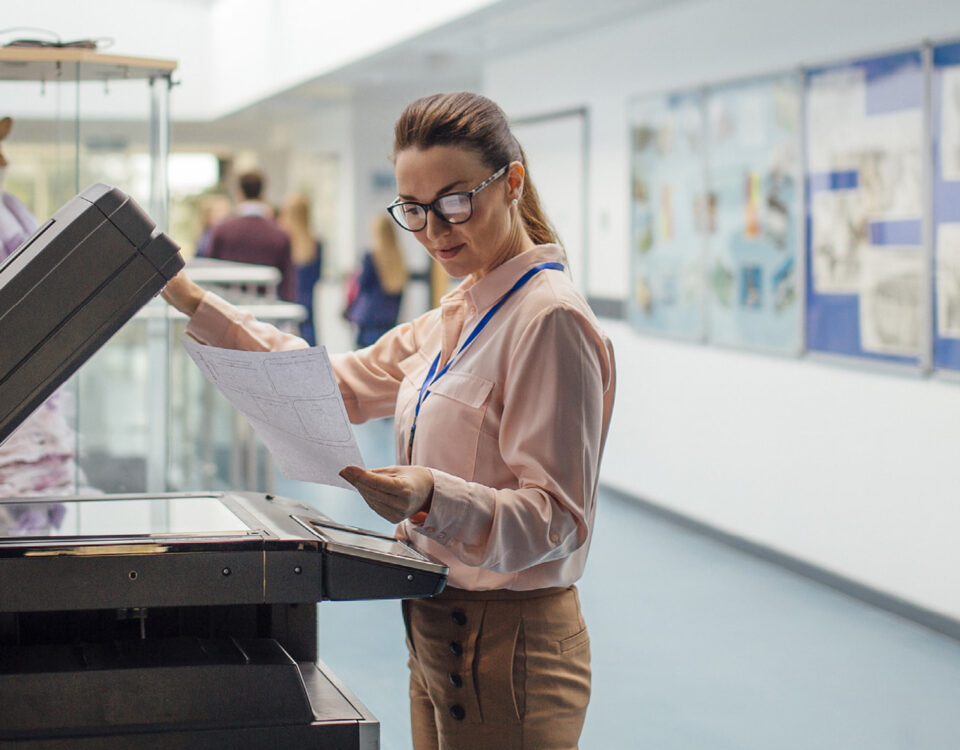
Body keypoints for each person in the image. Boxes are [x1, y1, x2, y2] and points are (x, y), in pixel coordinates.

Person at [160, 91, 616, 750]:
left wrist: (433, 495)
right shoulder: (456, 315)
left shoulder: (549, 321)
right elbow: (331, 384)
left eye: (455, 201)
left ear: (512, 181)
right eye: (414, 210)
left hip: (510, 648)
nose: (435, 230)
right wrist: (193, 300)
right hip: (435, 630)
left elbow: (557, 520)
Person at [207, 170, 295, 301]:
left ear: (239, 192)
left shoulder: (222, 230)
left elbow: (211, 270)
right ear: (263, 193)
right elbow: (287, 281)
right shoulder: (280, 234)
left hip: (229, 308)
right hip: (267, 311)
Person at [345, 214, 409, 347]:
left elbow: (362, 285)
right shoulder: (400, 260)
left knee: (362, 362)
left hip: (368, 319)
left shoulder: (371, 257)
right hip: (389, 320)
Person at [279, 192, 323, 345]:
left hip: (285, 305)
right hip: (307, 306)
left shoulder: (283, 243)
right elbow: (317, 277)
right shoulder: (316, 245)